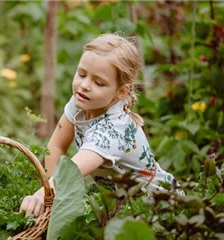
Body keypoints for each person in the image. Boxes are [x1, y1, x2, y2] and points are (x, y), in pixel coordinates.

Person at [20, 33, 179, 217]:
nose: (85, 85)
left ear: (121, 92)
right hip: (123, 205)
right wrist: (49, 195)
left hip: (159, 207)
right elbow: (57, 145)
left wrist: (41, 196)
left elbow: (72, 171)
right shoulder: (83, 100)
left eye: (99, 82)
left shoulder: (112, 131)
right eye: (81, 74)